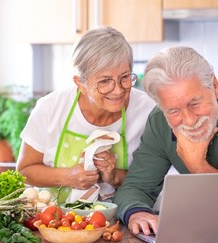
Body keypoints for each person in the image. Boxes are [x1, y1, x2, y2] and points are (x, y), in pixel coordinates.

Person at [114, 46, 218, 236]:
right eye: (174, 111)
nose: (189, 120)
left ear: (215, 86)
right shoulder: (159, 121)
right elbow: (135, 187)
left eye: (194, 104)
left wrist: (198, 167)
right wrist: (136, 213)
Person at [16, 26, 155, 204]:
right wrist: (69, 176)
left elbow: (150, 179)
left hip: (120, 221)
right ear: (80, 83)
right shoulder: (50, 108)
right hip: (54, 221)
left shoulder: (146, 110)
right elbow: (24, 171)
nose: (118, 90)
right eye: (105, 81)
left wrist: (113, 177)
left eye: (125, 77)